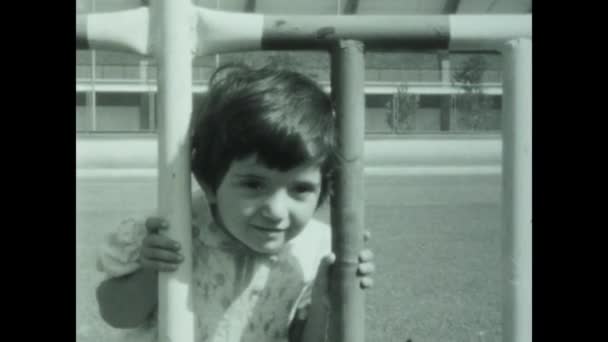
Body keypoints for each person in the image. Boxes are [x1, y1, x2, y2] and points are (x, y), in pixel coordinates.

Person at [95, 64, 375, 342]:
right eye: (254, 184)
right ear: (209, 183)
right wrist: (150, 270)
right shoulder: (174, 229)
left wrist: (328, 301)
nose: (276, 211)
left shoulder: (316, 250)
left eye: (300, 189)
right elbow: (116, 315)